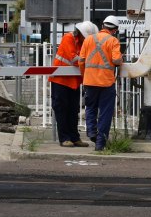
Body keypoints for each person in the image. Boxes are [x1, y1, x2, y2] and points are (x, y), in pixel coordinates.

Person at [49, 20, 98, 147]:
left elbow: (82, 58)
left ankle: (75, 138)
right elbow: (74, 59)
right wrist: (86, 59)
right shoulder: (68, 38)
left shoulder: (83, 42)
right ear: (81, 33)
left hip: (74, 81)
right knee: (61, 109)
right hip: (60, 80)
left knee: (73, 110)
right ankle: (64, 138)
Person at [79, 15, 123, 151]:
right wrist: (121, 58)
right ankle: (100, 143)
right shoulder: (113, 41)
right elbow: (116, 61)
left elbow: (81, 61)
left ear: (103, 26)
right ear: (114, 30)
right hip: (106, 83)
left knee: (90, 108)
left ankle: (91, 132)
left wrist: (85, 76)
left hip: (90, 81)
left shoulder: (88, 39)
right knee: (105, 113)